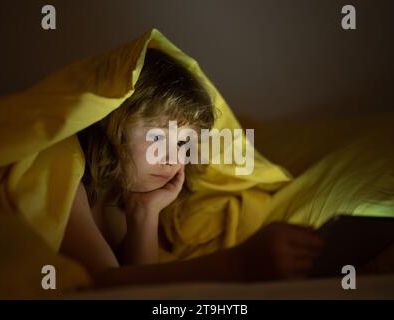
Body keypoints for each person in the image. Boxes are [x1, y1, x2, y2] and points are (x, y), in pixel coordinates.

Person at [60, 48, 323, 288]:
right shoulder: (67, 179)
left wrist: (145, 211)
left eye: (184, 142)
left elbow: (143, 290)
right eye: (157, 138)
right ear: (110, 125)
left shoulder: (124, 197)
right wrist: (240, 264)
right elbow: (109, 284)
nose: (173, 159)